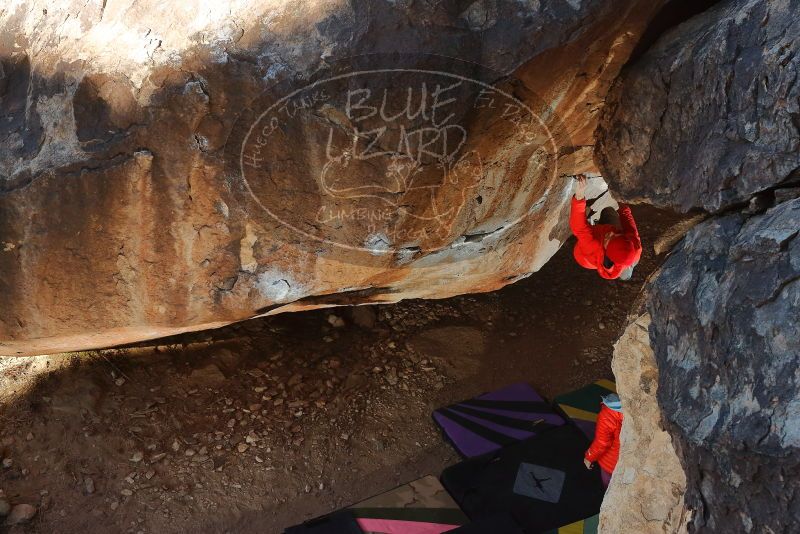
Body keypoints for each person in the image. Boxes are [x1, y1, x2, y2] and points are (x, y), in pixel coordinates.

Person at [570, 174, 642, 280]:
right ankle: (625, 267)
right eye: (618, 235)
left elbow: (579, 227)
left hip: (583, 256)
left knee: (585, 232)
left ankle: (623, 271)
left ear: (606, 250)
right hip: (606, 238)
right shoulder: (635, 245)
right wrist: (618, 194)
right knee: (609, 212)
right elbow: (626, 216)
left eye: (610, 239)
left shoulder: (593, 246)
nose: (612, 233)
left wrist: (579, 196)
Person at [583, 393, 623, 487]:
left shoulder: (607, 414)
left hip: (610, 463)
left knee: (609, 484)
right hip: (628, 461)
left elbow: (602, 443)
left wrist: (589, 457)